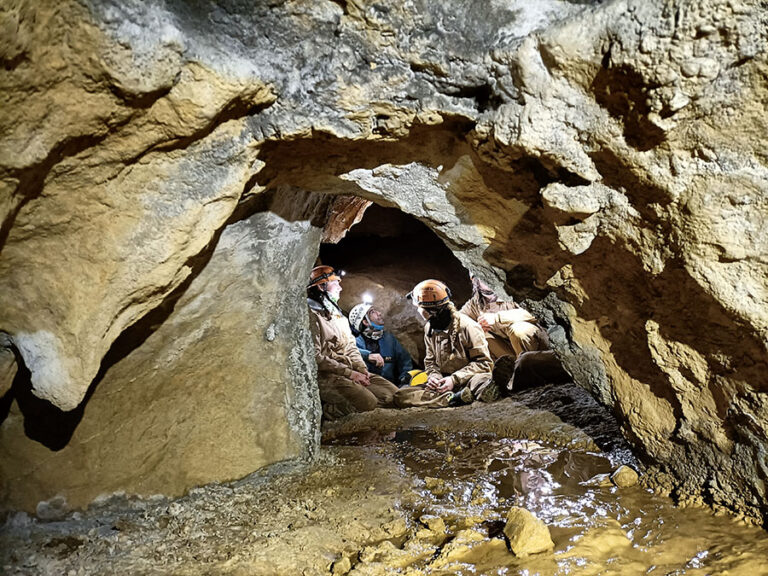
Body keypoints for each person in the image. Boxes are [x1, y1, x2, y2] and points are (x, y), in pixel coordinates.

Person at [306, 265, 399, 420]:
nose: (340, 288)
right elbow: (315, 356)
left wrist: (361, 370)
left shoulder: (338, 316)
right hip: (327, 376)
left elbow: (350, 347)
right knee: (368, 402)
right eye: (335, 284)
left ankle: (358, 403)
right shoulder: (312, 317)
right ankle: (326, 414)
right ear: (321, 287)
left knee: (393, 396)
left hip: (349, 371)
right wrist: (350, 373)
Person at [394, 279, 500, 408]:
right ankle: (453, 399)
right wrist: (434, 377)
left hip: (467, 380)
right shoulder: (430, 329)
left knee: (482, 381)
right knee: (401, 395)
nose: (417, 311)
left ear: (428, 310)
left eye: (419, 307)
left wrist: (454, 380)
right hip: (443, 383)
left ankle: (455, 396)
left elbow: (484, 363)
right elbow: (430, 362)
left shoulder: (467, 326)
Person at [461, 273, 570, 392]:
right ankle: (505, 376)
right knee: (477, 335)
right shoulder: (475, 303)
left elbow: (533, 312)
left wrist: (497, 318)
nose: (487, 281)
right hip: (510, 351)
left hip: (535, 344)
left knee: (519, 329)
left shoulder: (511, 292)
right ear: (474, 281)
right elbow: (460, 321)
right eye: (482, 278)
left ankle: (530, 373)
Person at [349, 299, 414, 387]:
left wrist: (404, 381)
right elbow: (349, 353)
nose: (379, 313)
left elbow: (405, 362)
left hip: (392, 386)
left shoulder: (389, 339)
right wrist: (368, 355)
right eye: (372, 312)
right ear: (365, 322)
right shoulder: (357, 342)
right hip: (368, 387)